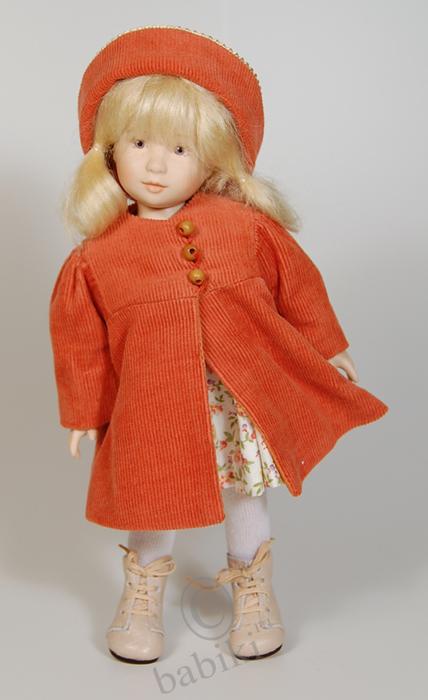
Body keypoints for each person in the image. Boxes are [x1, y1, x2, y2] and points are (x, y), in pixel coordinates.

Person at [49, 26, 389, 665]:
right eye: (139, 143)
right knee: (153, 492)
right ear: (110, 150)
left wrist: (325, 343)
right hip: (153, 399)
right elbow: (80, 340)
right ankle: (142, 594)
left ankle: (254, 588)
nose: (155, 166)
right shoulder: (98, 258)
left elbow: (296, 284)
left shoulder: (246, 228)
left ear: (211, 158)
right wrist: (84, 411)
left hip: (236, 396)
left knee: (245, 490)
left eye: (179, 148)